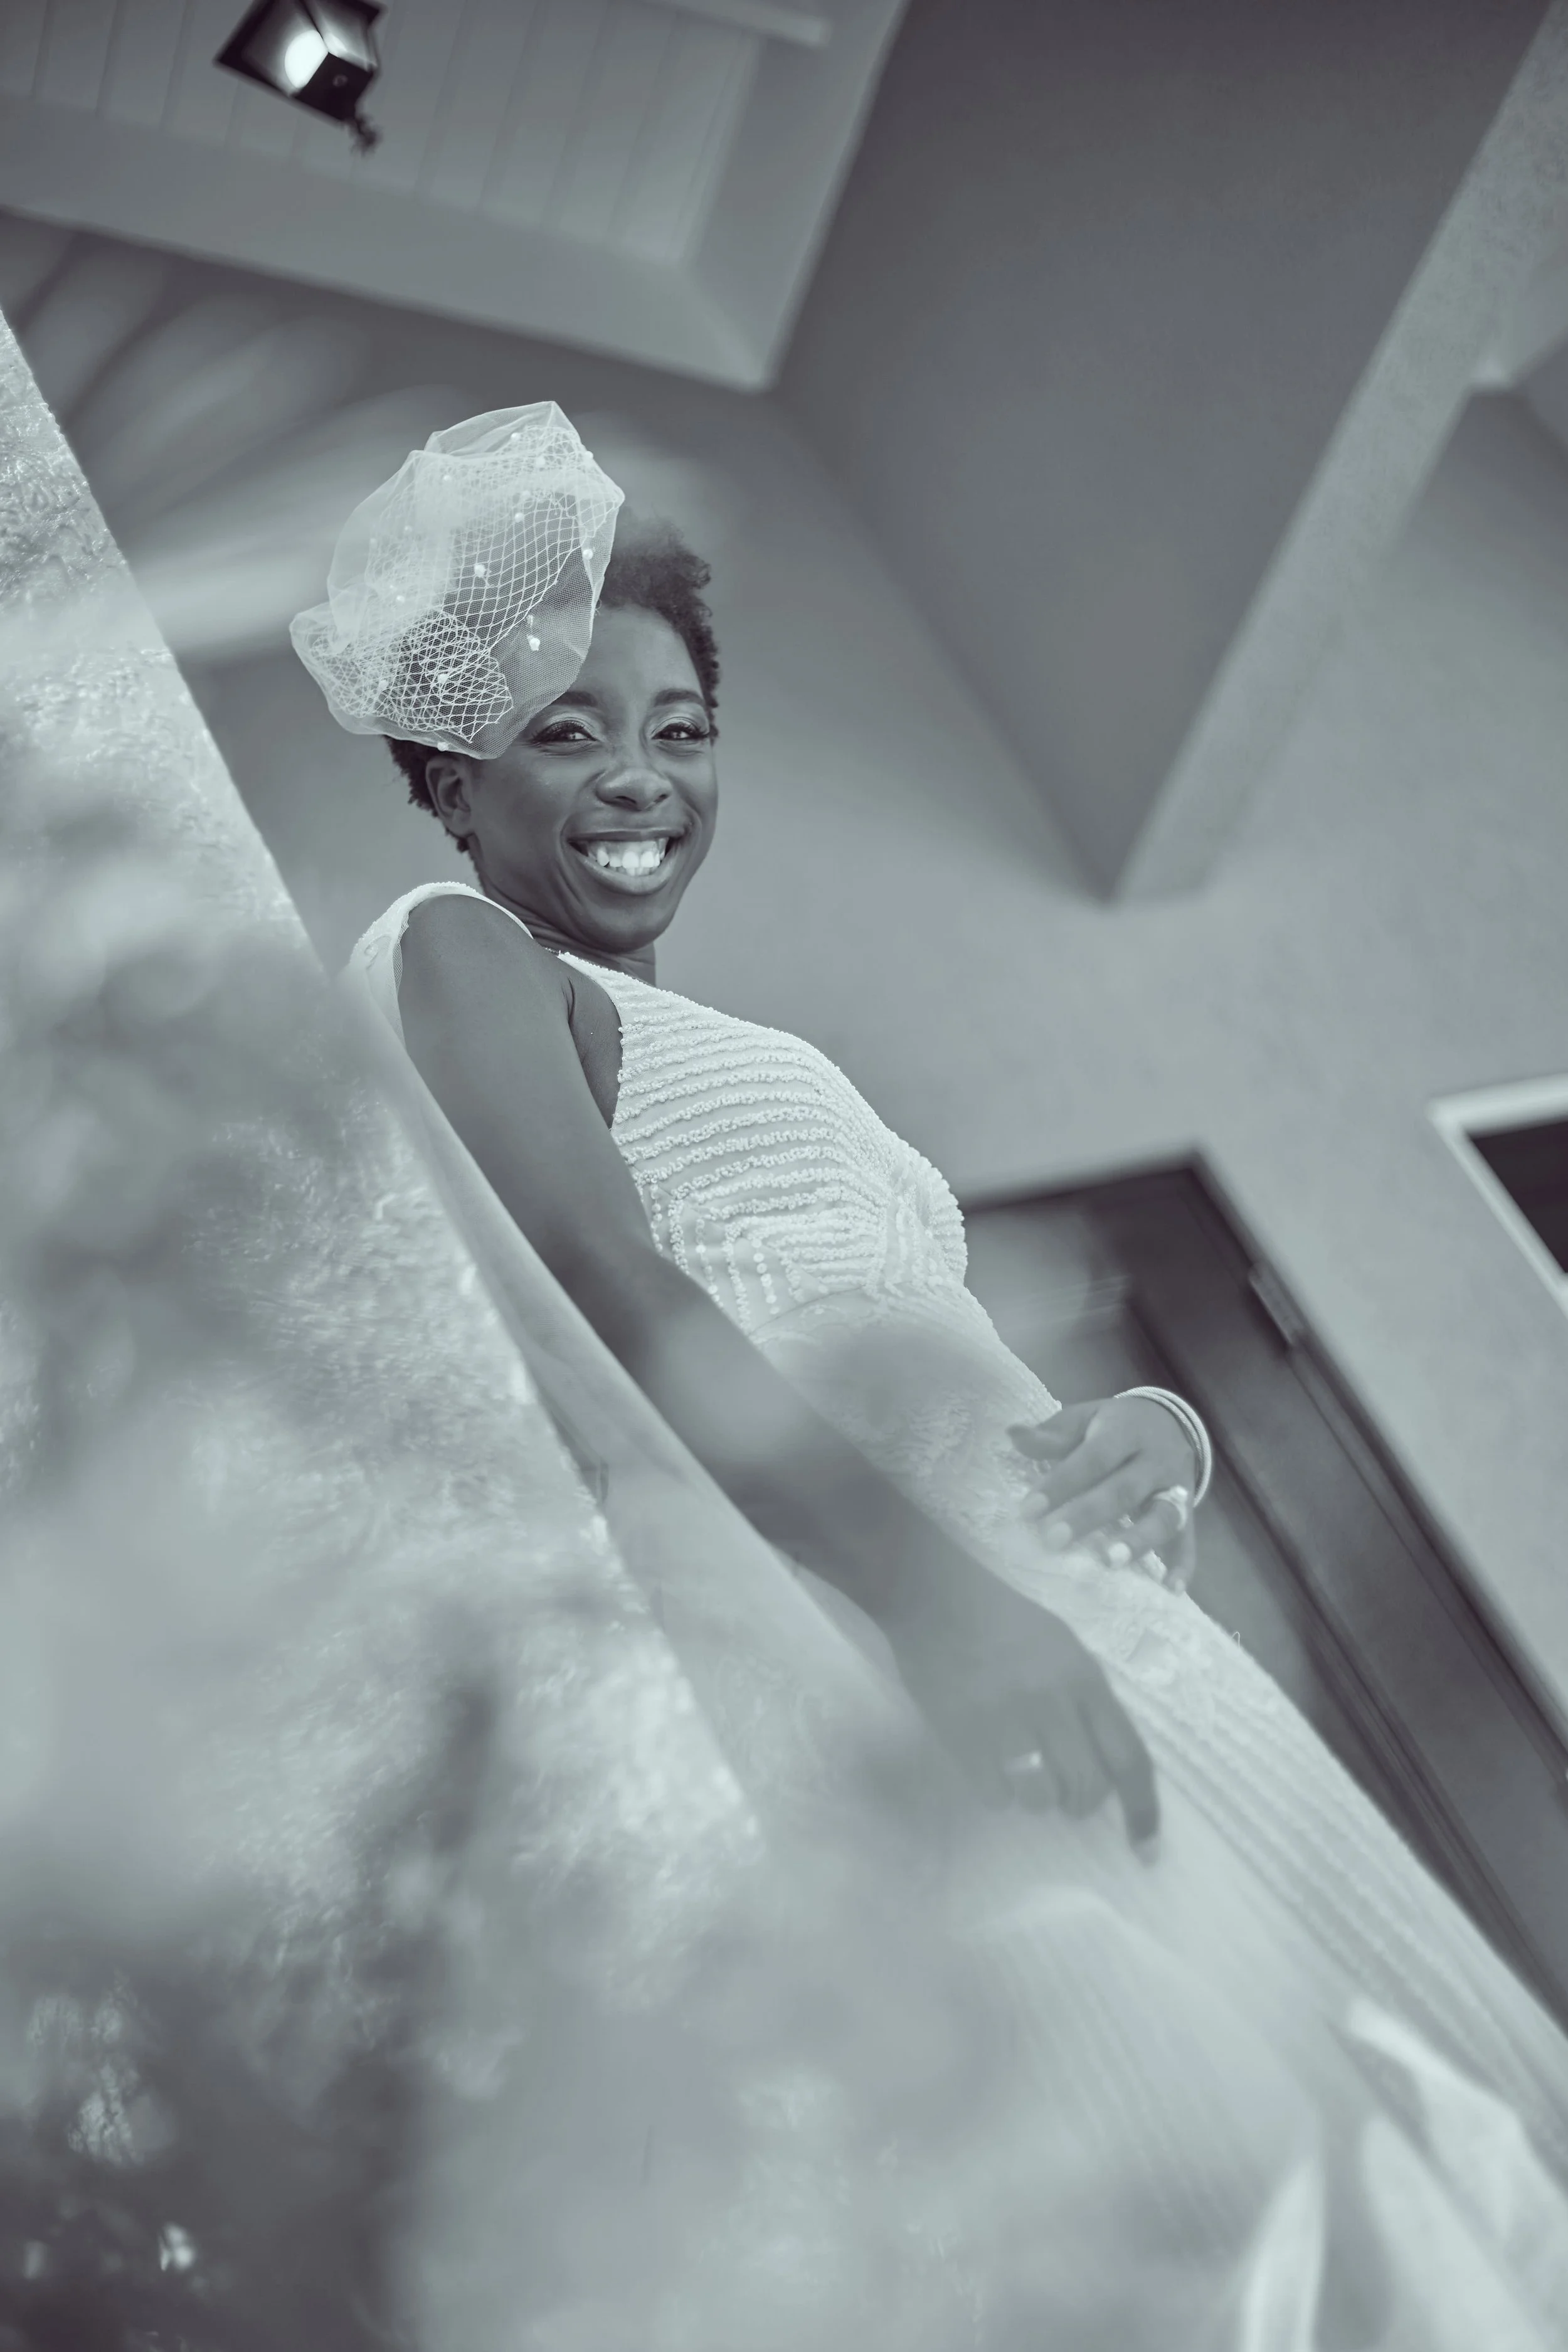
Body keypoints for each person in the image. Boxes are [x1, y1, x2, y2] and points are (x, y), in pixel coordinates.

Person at [307, 406, 1568, 2344]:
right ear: (451, 784)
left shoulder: (689, 1031)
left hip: (1068, 1618)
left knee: (1388, 2124)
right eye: (563, 730)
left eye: (679, 726)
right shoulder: (457, 944)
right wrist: (932, 1604)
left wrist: (1156, 1425)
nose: (639, 774)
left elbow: (888, 1313)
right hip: (905, 1640)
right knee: (1221, 2175)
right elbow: (611, 1286)